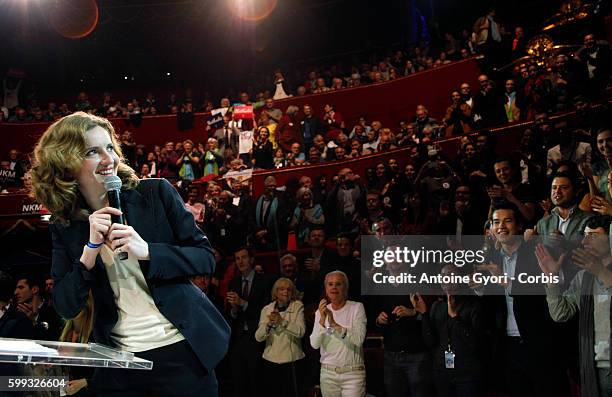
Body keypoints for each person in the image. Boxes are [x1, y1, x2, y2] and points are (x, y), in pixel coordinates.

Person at [29, 112, 230, 396]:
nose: (108, 158)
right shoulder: (66, 227)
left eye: (110, 147)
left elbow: (205, 257)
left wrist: (148, 251)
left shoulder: (155, 193)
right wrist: (90, 251)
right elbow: (66, 306)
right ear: (66, 164)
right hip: (120, 365)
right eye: (92, 151)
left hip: (181, 353)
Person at [310, 271, 367, 397]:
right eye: (330, 284)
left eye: (338, 284)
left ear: (345, 288)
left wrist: (334, 324)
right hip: (328, 374)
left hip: (353, 374)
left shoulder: (356, 308)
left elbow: (359, 339)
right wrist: (321, 321)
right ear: (326, 289)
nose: (334, 287)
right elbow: (314, 344)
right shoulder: (320, 312)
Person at [255, 278, 306, 397]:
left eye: (289, 289)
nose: (285, 292)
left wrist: (282, 322)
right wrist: (268, 325)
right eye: (282, 289)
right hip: (270, 361)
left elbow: (301, 332)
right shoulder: (267, 309)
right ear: (276, 292)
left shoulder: (297, 306)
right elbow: (258, 337)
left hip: (292, 362)